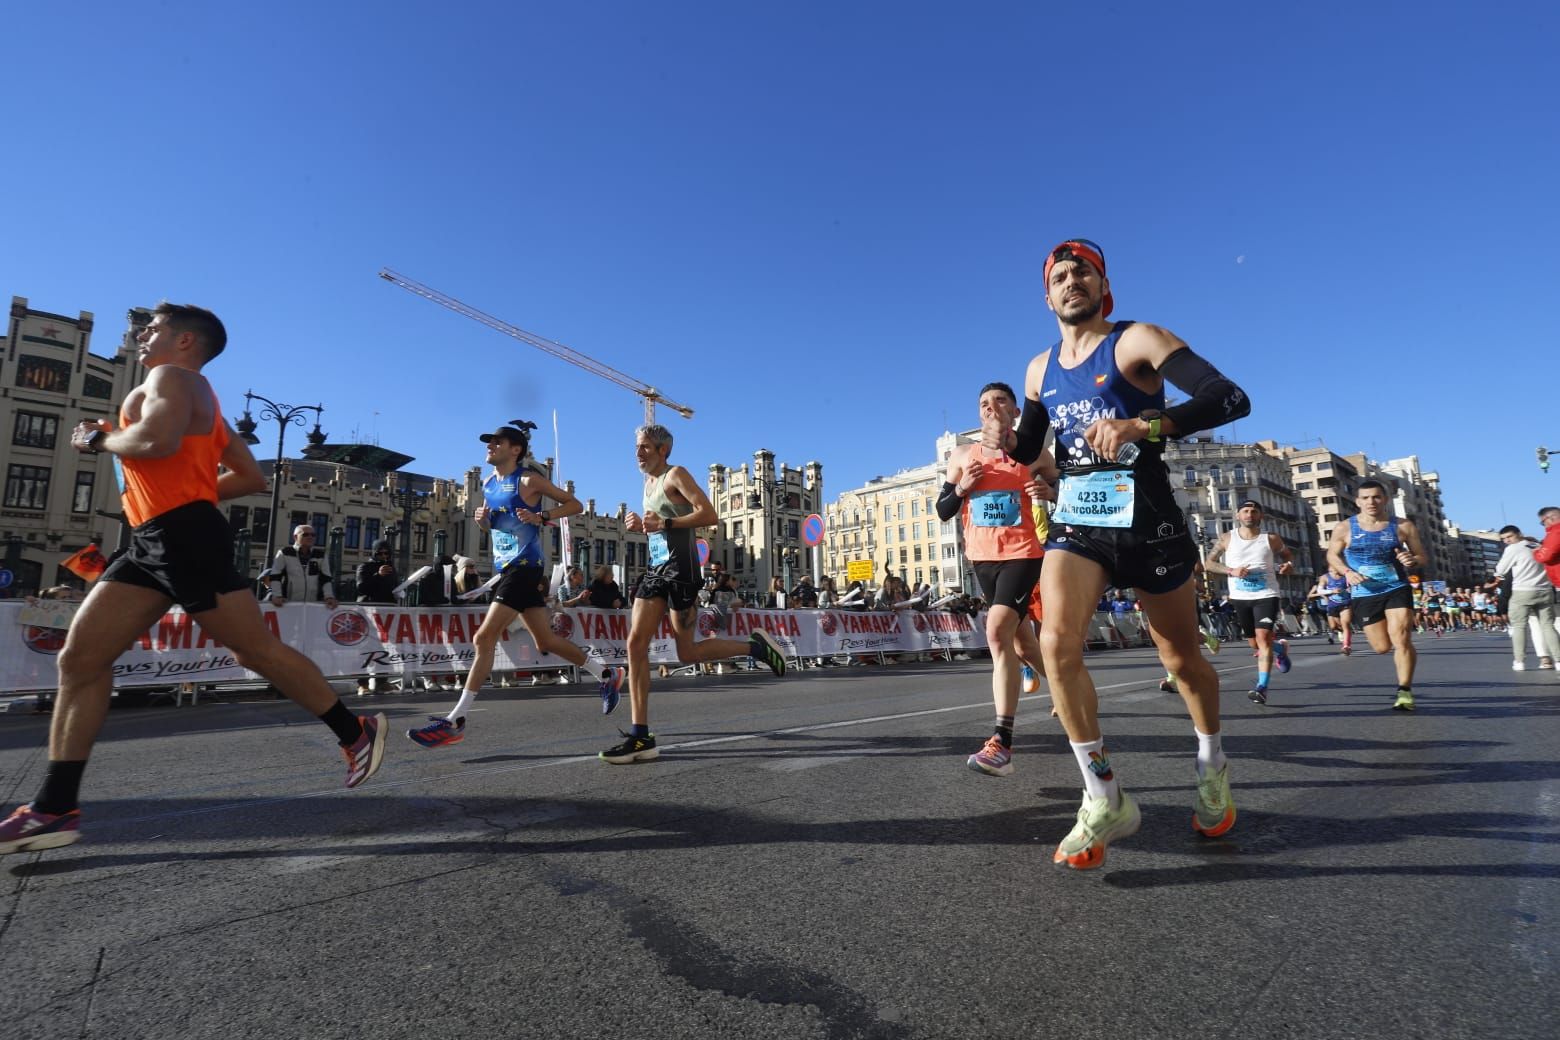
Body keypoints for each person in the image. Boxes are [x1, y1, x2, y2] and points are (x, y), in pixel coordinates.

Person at [0, 303, 386, 855]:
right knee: (80, 659)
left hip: (180, 535)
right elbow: (249, 476)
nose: (141, 335)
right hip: (156, 537)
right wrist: (192, 492)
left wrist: (98, 440)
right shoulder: (202, 399)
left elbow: (154, 442)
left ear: (185, 341)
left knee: (255, 650)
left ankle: (356, 732)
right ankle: (54, 807)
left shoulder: (170, 378)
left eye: (153, 329)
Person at [991, 238, 1251, 869]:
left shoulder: (1137, 340)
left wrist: (1143, 425)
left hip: (1149, 516)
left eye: (1083, 270)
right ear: (1046, 294)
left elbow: (1229, 398)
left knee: (1182, 661)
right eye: (1059, 274)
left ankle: (1212, 764)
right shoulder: (1037, 370)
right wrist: (1008, 444)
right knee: (1056, 645)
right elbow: (1031, 449)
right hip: (1080, 517)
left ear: (1103, 287)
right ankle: (1104, 794)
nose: (1070, 279)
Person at [406, 421, 621, 750]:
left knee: (484, 637)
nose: (489, 446)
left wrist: (543, 517)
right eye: (488, 442)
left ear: (515, 449)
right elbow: (499, 525)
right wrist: (484, 521)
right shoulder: (490, 484)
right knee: (545, 639)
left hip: (525, 568)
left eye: (497, 442)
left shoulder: (529, 480)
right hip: (506, 568)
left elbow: (574, 505)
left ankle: (456, 720)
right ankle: (605, 674)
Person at [601, 424, 788, 764]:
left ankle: (755, 647)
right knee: (635, 643)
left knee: (686, 652)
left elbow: (709, 515)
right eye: (637, 447)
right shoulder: (648, 483)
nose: (638, 452)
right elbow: (657, 525)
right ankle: (641, 735)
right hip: (658, 569)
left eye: (644, 447)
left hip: (683, 572)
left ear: (663, 451)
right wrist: (642, 526)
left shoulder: (676, 474)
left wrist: (665, 524)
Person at [937, 381, 1052, 777]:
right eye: (984, 403)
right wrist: (963, 486)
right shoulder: (963, 455)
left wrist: (1049, 491)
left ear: (1015, 412)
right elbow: (943, 509)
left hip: (1022, 554)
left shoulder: (1033, 454)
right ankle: (1062, 684)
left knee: (997, 631)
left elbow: (1064, 485)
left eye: (1000, 401)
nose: (991, 407)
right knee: (1021, 640)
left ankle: (1001, 741)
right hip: (981, 560)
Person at [1326, 479, 1427, 711]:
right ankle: (1402, 663)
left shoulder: (1403, 526)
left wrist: (1412, 560)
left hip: (1395, 587)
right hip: (1364, 592)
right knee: (1381, 647)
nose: (1371, 501)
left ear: (1385, 500)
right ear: (1358, 501)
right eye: (1366, 497)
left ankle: (1404, 691)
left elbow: (1422, 557)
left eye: (1377, 497)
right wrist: (1347, 572)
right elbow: (1332, 556)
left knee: (1401, 637)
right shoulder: (1345, 527)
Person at [1204, 500, 1294, 705]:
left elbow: (1288, 556)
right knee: (1254, 643)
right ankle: (1280, 649)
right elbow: (1209, 563)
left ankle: (1261, 687)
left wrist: (1288, 565)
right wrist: (1231, 571)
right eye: (1245, 511)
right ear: (1238, 515)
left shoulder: (1271, 539)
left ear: (1260, 516)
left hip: (1267, 594)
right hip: (1240, 597)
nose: (1250, 515)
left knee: (1263, 638)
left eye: (1254, 511)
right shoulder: (1227, 538)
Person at [1492, 525, 1560, 671]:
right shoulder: (1537, 545)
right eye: (1504, 539)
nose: (1507, 541)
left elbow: (1501, 570)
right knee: (1548, 626)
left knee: (1519, 627)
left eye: (1509, 537)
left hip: (1522, 591)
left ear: (1519, 534)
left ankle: (1519, 661)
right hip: (1545, 590)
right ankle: (1558, 660)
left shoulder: (1513, 549)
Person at [266, 524, 339, 609]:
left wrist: (329, 597)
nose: (310, 537)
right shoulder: (284, 553)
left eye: (313, 535)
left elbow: (326, 578)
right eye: (305, 534)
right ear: (295, 537)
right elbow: (275, 576)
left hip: (313, 604)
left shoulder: (321, 555)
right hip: (288, 604)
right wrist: (277, 595)